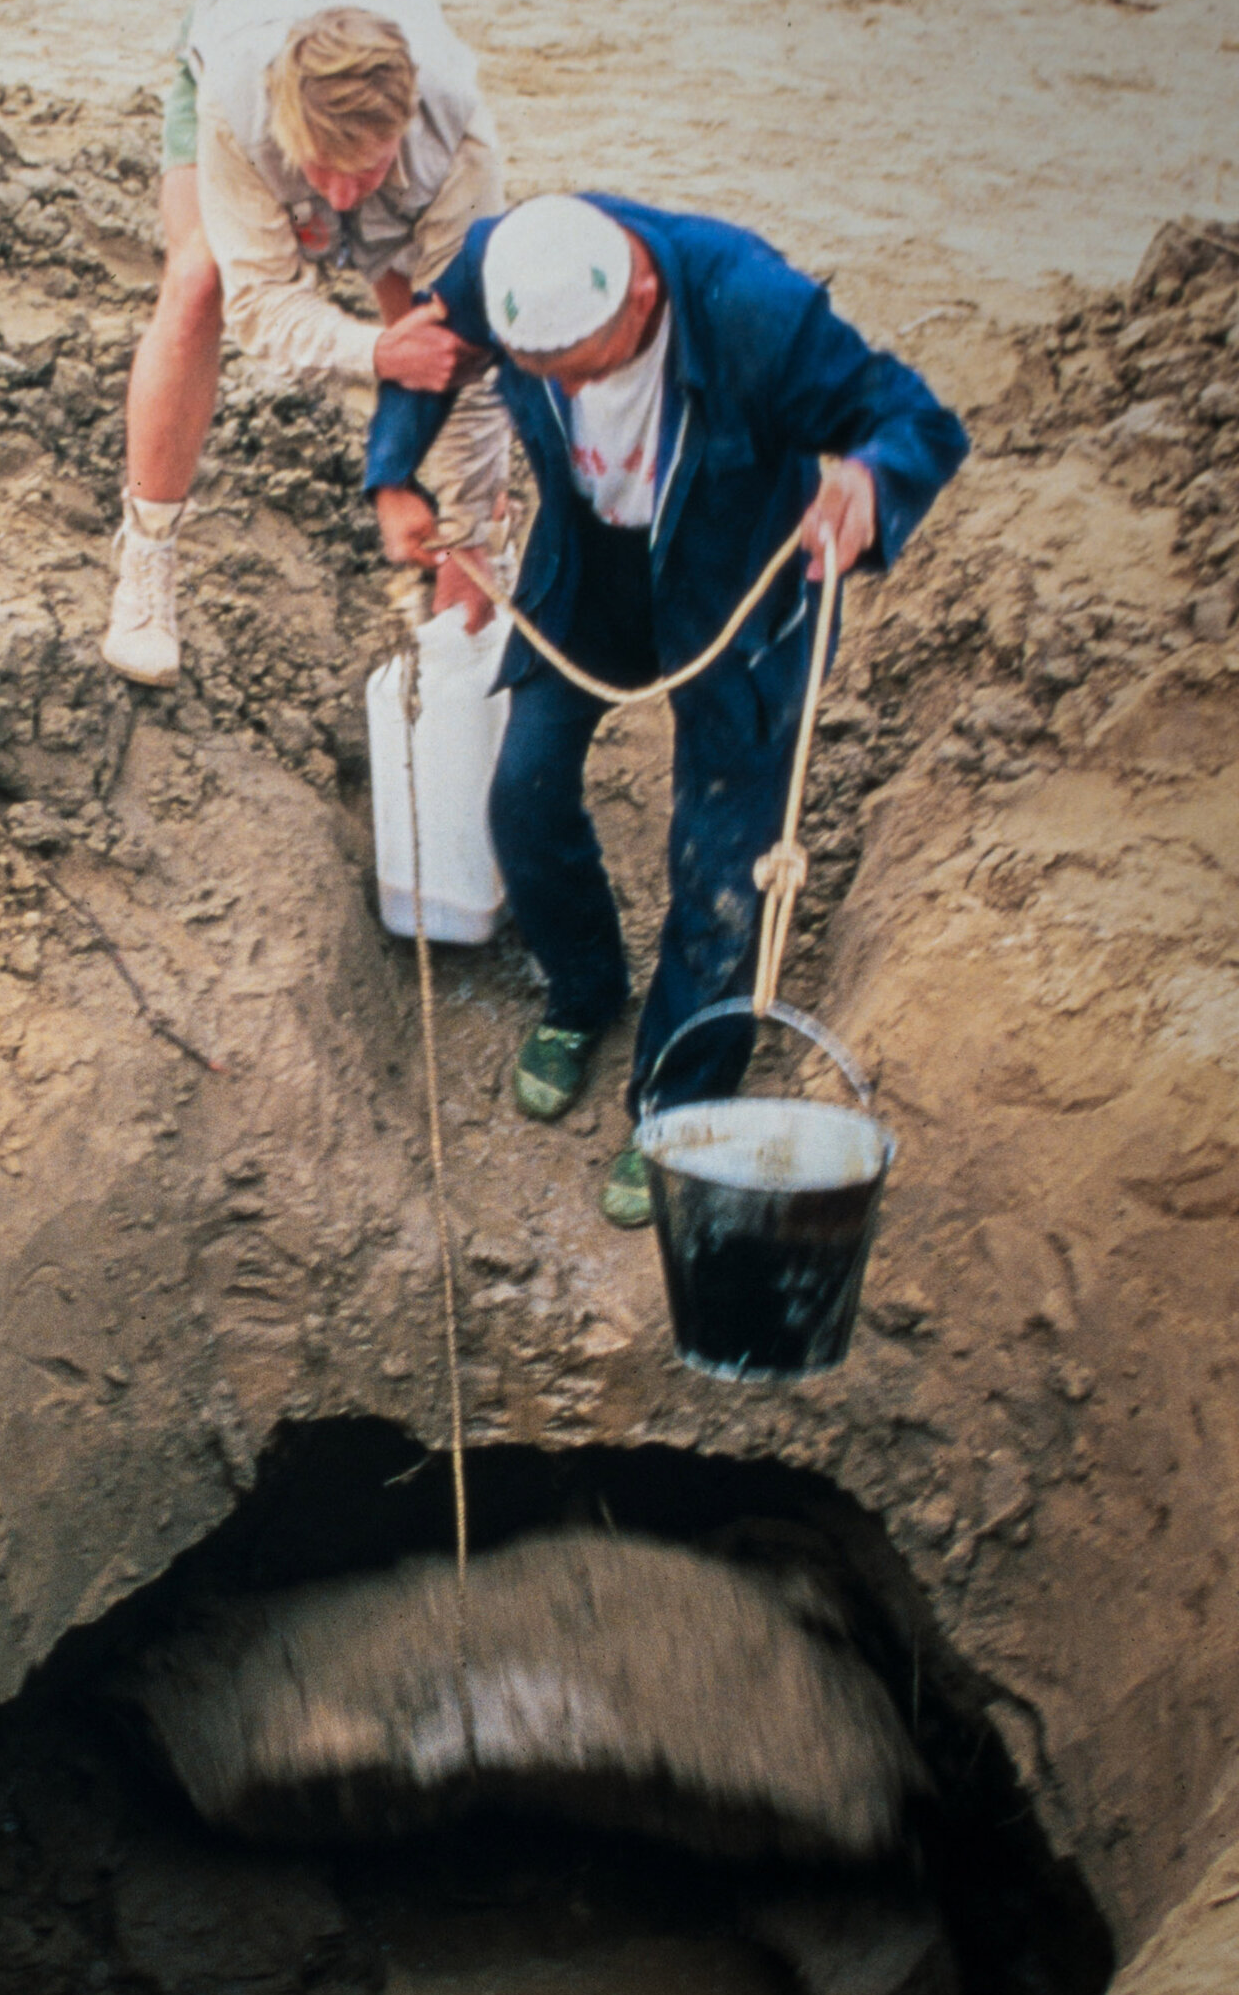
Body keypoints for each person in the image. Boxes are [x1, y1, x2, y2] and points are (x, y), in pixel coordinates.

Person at [363, 193, 968, 1225]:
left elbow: (914, 418)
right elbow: (429, 352)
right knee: (524, 796)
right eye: (541, 374)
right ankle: (585, 990)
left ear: (642, 292)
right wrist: (392, 475)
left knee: (720, 859)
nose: (567, 389)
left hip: (731, 584)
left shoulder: (753, 309)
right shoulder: (501, 264)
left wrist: (869, 481)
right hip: (589, 567)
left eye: (586, 367)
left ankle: (676, 1094)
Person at [105, 0, 510, 686]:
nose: (341, 199)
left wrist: (472, 533)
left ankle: (461, 535)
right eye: (323, 170)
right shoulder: (240, 106)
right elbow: (261, 306)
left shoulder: (459, 141)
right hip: (242, 27)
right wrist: (373, 354)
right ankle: (146, 556)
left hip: (386, 48)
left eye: (367, 170)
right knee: (199, 280)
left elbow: (469, 346)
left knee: (417, 292)